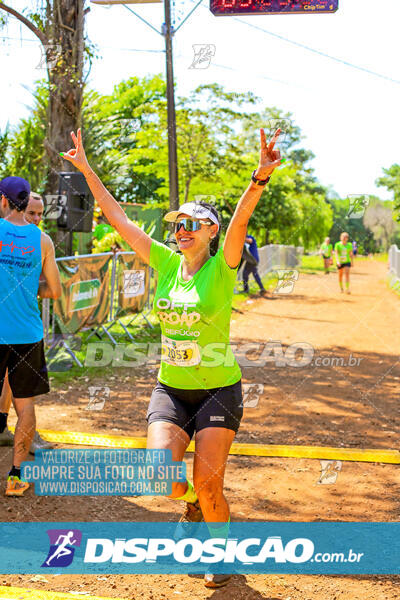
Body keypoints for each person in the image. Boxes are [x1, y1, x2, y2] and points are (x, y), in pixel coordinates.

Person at [61, 127, 282, 588]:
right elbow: (118, 218)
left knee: (208, 482)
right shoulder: (162, 262)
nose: (180, 231)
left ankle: (218, 548)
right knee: (161, 476)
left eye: (190, 224)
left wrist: (259, 178)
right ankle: (195, 506)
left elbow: (241, 219)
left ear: (211, 231)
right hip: (172, 388)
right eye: (176, 225)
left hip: (218, 391)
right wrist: (85, 170)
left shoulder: (223, 268)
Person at [0, 177, 61, 496]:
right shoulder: (42, 240)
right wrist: (27, 290)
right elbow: (55, 290)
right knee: (25, 407)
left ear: (3, 200)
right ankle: (14, 477)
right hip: (27, 333)